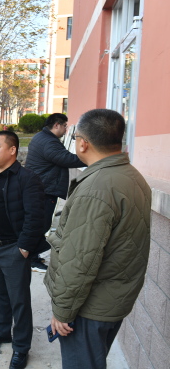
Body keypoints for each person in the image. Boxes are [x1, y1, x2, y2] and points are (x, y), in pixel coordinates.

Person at [45, 109, 151, 369]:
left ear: (83, 143)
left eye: (75, 137)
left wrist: (62, 312)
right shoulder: (132, 176)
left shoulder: (97, 188)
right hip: (111, 300)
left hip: (89, 308)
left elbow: (79, 260)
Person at [0, 130, 45, 369]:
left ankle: (21, 348)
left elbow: (35, 217)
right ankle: (2, 331)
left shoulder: (27, 178)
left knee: (19, 301)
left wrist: (24, 248)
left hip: (14, 250)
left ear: (12, 150)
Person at [25, 113, 85, 272]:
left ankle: (32, 255)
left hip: (39, 188)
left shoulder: (41, 137)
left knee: (38, 225)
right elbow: (66, 159)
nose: (66, 129)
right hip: (43, 190)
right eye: (65, 126)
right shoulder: (49, 142)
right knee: (40, 226)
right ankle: (31, 260)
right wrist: (92, 158)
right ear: (56, 125)